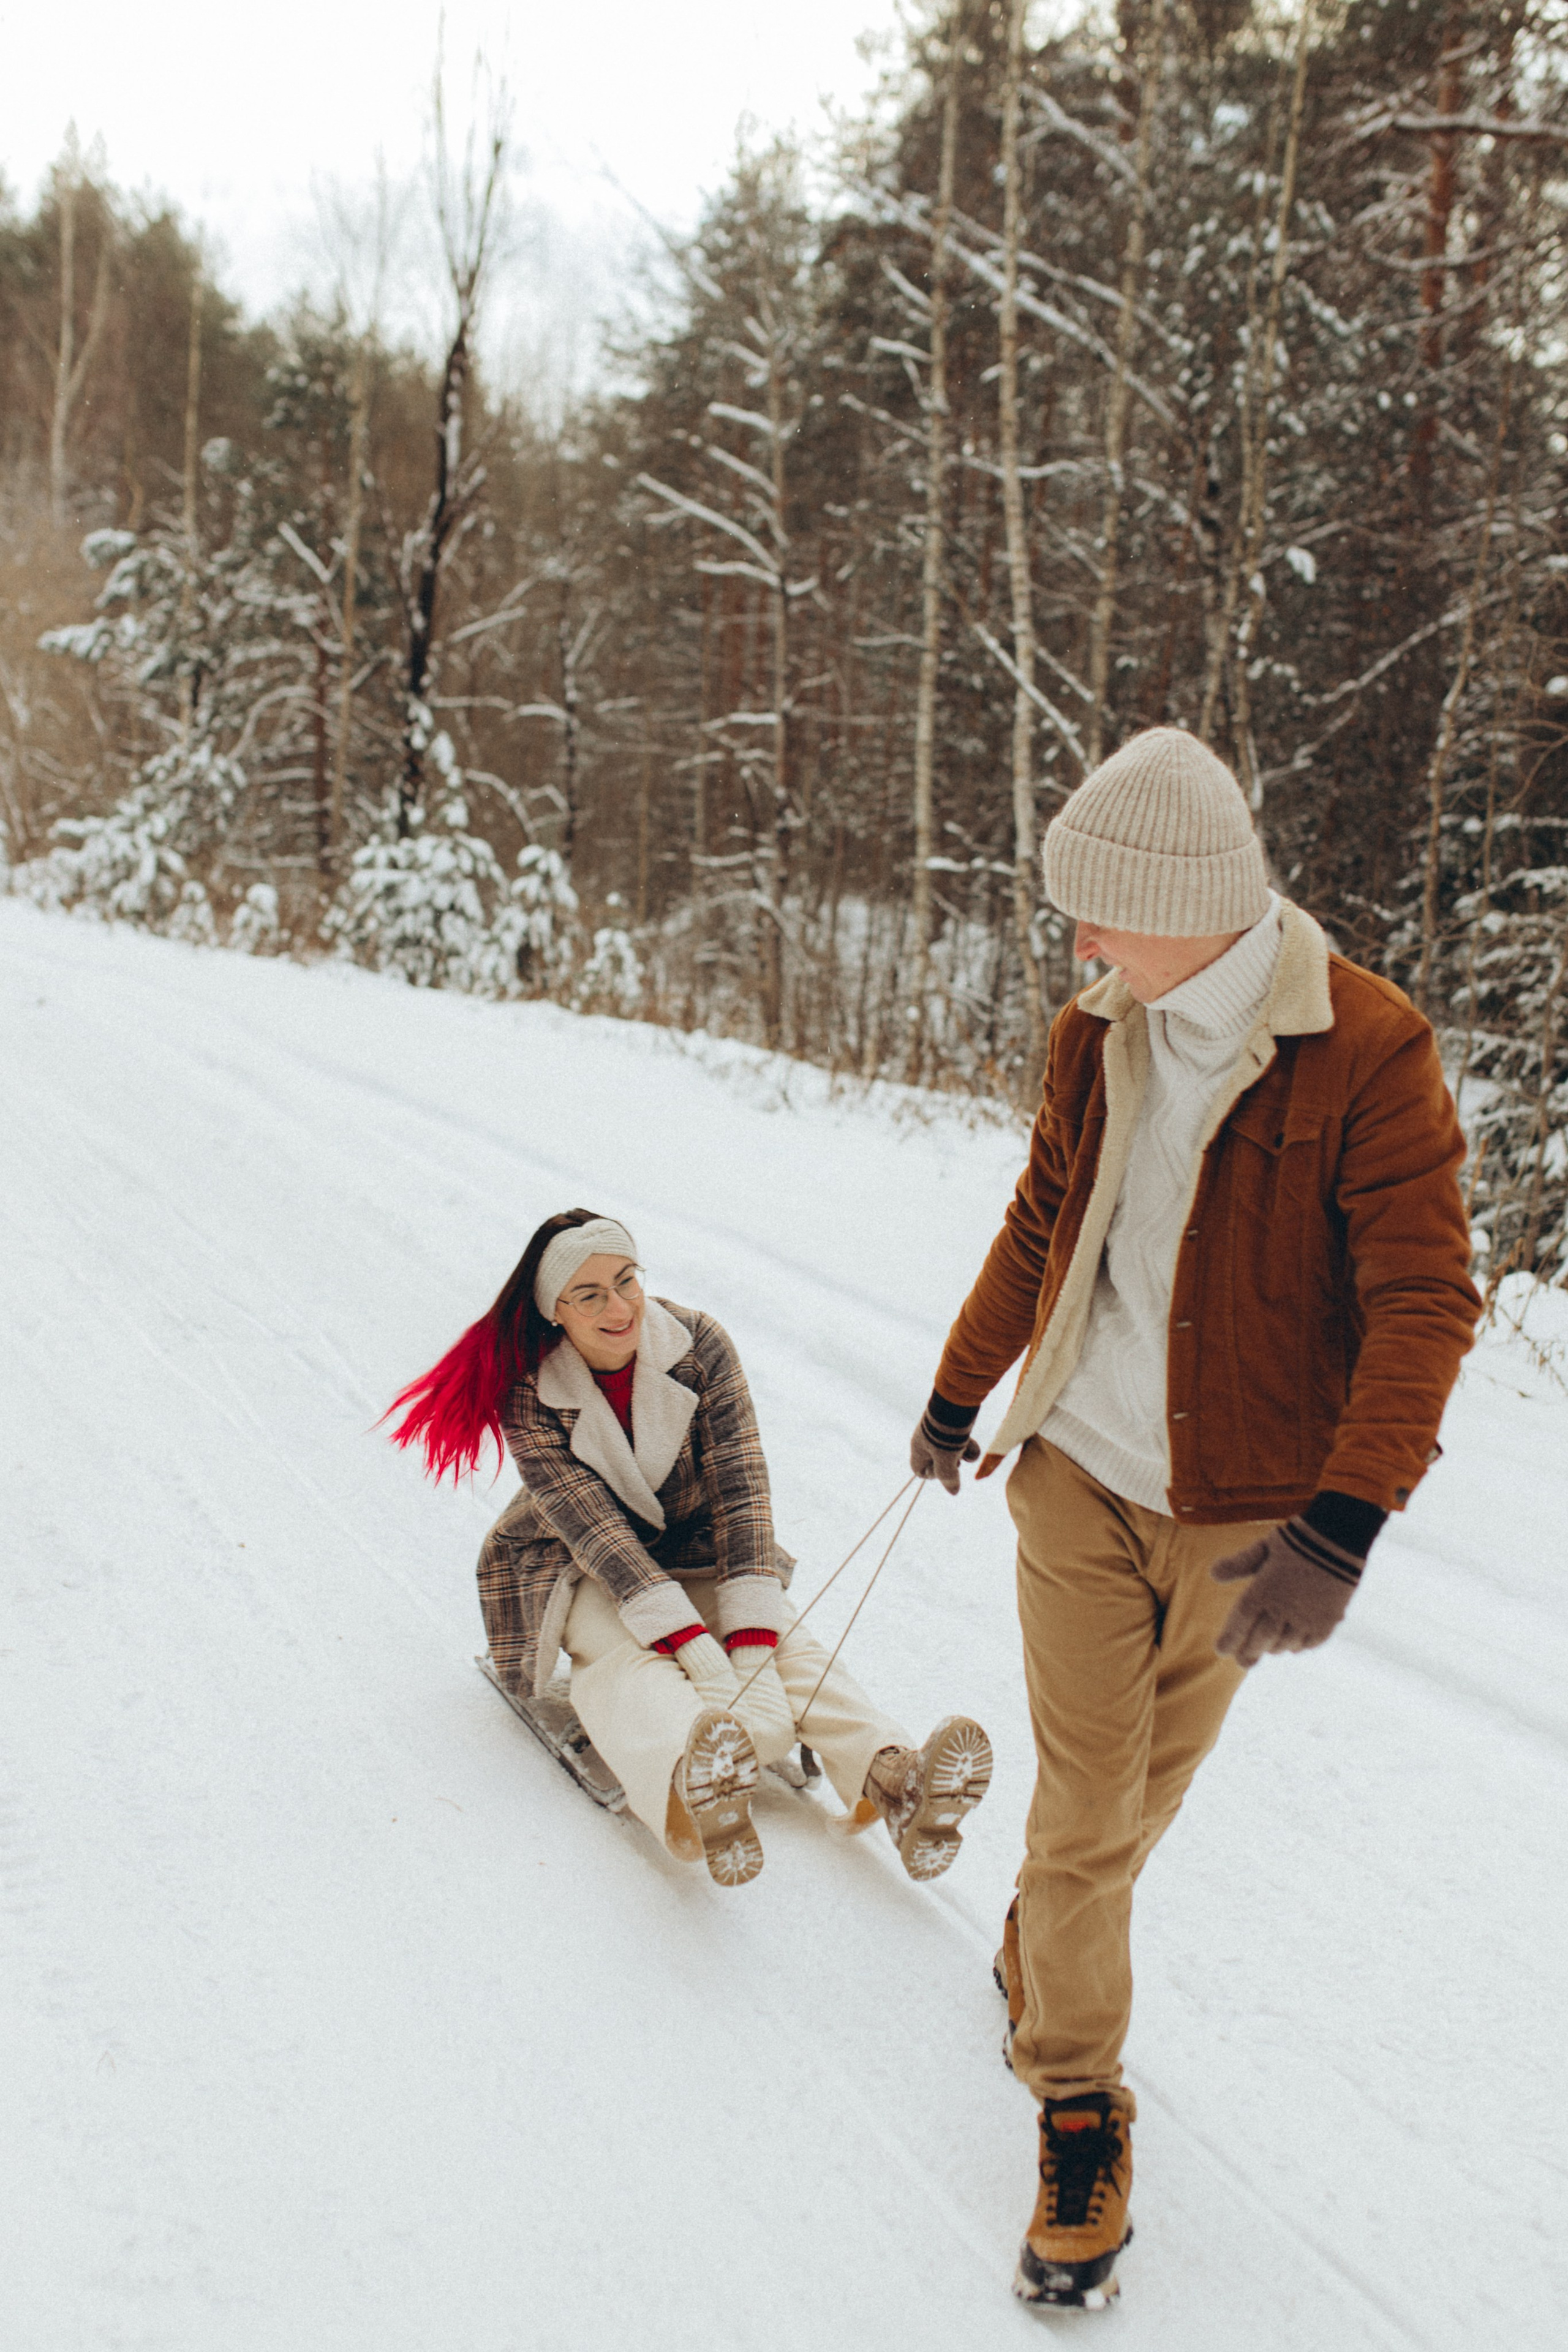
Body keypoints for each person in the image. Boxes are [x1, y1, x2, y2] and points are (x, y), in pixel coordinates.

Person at [908, 728, 1481, 2310]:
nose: (1080, 947)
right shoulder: (1095, 1030)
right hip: (1076, 1477)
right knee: (1093, 1803)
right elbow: (1041, 1221)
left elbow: (1427, 1300)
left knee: (1137, 1798)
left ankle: (1045, 1929)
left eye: (1099, 916)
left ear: (1190, 907)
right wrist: (962, 1394)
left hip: (1244, 1517)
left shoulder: (1366, 1047)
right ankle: (1079, 2104)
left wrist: (1343, 1524)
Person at [388, 1210, 993, 1888]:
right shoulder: (530, 1395)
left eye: (626, 1280)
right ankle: (697, 1778)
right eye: (590, 1295)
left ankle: (895, 1779)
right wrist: (698, 1652)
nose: (619, 1307)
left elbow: (741, 1488)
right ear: (555, 1311)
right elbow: (598, 1534)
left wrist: (751, 1639)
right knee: (621, 1655)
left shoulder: (699, 1345)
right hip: (575, 1559)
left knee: (789, 1644)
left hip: (693, 1533)